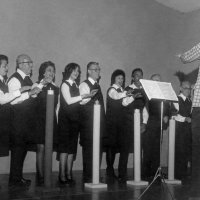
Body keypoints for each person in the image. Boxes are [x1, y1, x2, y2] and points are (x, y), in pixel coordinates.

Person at [57, 63, 95, 185]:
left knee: (72, 149)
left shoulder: (76, 85)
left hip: (75, 120)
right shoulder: (64, 84)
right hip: (65, 121)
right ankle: (61, 174)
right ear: (69, 71)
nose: (76, 73)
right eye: (74, 70)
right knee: (64, 149)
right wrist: (83, 96)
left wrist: (88, 96)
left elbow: (80, 101)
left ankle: (69, 173)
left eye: (78, 71)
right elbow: (68, 101)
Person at [7, 54, 41, 187]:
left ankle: (17, 177)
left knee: (22, 150)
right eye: (28, 62)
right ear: (20, 64)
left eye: (31, 62)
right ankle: (14, 180)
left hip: (26, 122)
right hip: (18, 122)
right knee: (17, 151)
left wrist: (37, 89)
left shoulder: (26, 79)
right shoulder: (14, 80)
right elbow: (14, 100)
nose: (31, 65)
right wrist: (30, 93)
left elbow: (30, 96)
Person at [0, 55, 32, 158]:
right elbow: (3, 99)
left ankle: (16, 175)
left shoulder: (3, 82)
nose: (7, 68)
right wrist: (21, 90)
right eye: (4, 66)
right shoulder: (12, 80)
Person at [33, 61, 59, 185]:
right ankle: (40, 176)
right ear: (43, 72)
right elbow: (33, 98)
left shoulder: (55, 88)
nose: (51, 73)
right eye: (49, 70)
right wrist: (43, 83)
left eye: (53, 71)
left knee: (48, 147)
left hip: (51, 120)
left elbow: (56, 107)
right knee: (41, 148)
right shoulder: (37, 85)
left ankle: (47, 174)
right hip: (39, 120)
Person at [120, 68, 148, 182]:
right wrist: (133, 97)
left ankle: (138, 174)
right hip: (127, 122)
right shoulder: (128, 89)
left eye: (141, 75)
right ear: (132, 77)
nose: (139, 77)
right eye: (137, 75)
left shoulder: (145, 91)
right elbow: (124, 103)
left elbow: (146, 108)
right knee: (125, 149)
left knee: (139, 149)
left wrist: (144, 123)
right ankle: (122, 174)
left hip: (140, 123)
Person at [79, 62, 105, 183]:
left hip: (98, 123)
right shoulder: (84, 84)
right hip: (89, 124)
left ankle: (95, 173)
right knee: (89, 149)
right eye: (95, 70)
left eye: (98, 69)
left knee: (98, 148)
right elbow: (82, 102)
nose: (98, 72)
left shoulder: (97, 85)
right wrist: (89, 96)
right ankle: (88, 175)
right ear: (89, 71)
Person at [142, 74, 170, 179]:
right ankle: (145, 173)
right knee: (148, 148)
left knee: (157, 149)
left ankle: (155, 172)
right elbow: (145, 108)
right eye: (155, 80)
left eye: (159, 80)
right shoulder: (146, 93)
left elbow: (167, 107)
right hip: (150, 123)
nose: (157, 82)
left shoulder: (163, 94)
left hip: (159, 124)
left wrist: (167, 115)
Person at [105, 69, 128, 179]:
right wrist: (126, 93)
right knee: (111, 147)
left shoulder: (121, 90)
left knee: (116, 147)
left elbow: (124, 103)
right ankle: (109, 170)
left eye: (122, 78)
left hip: (120, 123)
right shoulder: (112, 89)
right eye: (118, 78)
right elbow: (116, 96)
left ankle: (113, 171)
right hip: (111, 123)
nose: (121, 80)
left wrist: (133, 96)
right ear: (114, 79)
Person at [173, 81, 192, 180]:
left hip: (187, 130)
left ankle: (183, 174)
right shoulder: (176, 99)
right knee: (179, 151)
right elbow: (175, 115)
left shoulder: (189, 101)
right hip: (179, 129)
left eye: (189, 88)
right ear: (180, 88)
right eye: (186, 88)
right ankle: (178, 174)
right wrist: (185, 119)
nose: (188, 90)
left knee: (186, 151)